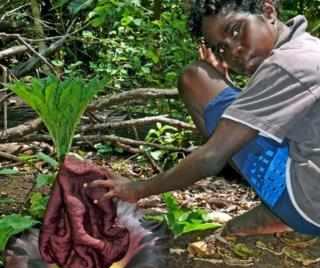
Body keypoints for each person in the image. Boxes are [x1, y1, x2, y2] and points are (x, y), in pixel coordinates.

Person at [90, 0, 320, 236]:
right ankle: (280, 208)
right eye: (221, 48)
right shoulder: (307, 50)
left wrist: (136, 189)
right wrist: (228, 85)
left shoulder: (285, 65)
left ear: (267, 11)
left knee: (194, 79)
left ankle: (284, 210)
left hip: (311, 208)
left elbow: (212, 157)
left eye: (236, 30)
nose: (233, 51)